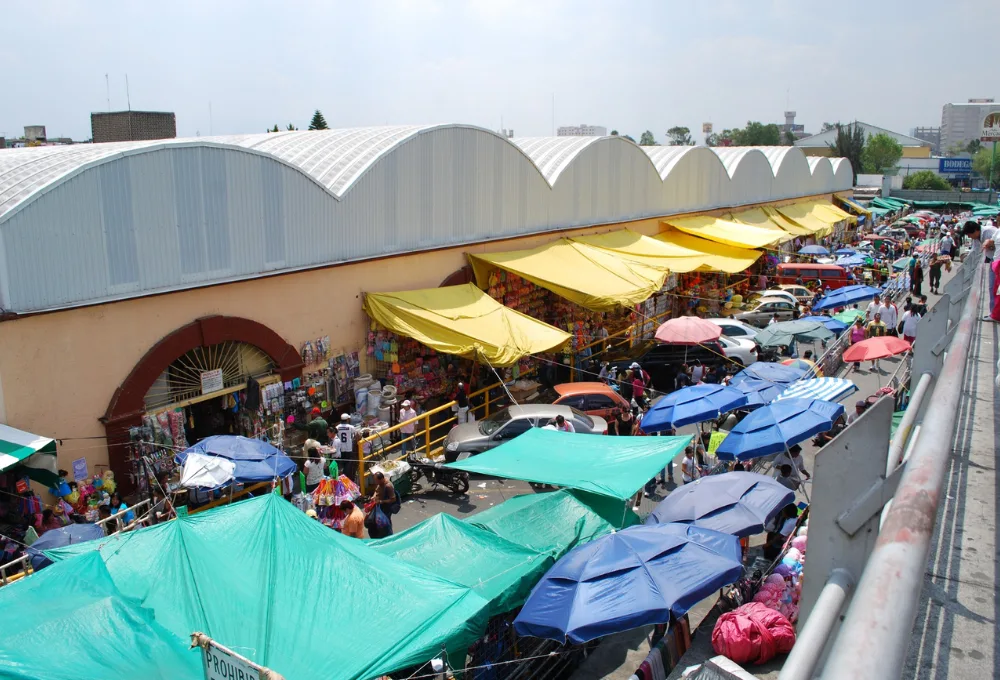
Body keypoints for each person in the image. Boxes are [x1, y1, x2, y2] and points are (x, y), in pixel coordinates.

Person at [368, 471, 396, 538]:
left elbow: (393, 499)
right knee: (377, 522)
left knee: (386, 523)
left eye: (376, 480)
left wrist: (381, 501)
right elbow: (376, 490)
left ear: (381, 479)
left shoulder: (388, 486)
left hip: (386, 509)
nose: (375, 482)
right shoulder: (380, 483)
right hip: (379, 506)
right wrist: (374, 496)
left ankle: (389, 537)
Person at [333, 414, 357, 479]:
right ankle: (345, 477)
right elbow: (356, 434)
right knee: (348, 463)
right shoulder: (351, 427)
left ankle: (342, 475)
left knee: (342, 463)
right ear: (347, 420)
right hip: (348, 448)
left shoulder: (337, 427)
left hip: (341, 448)